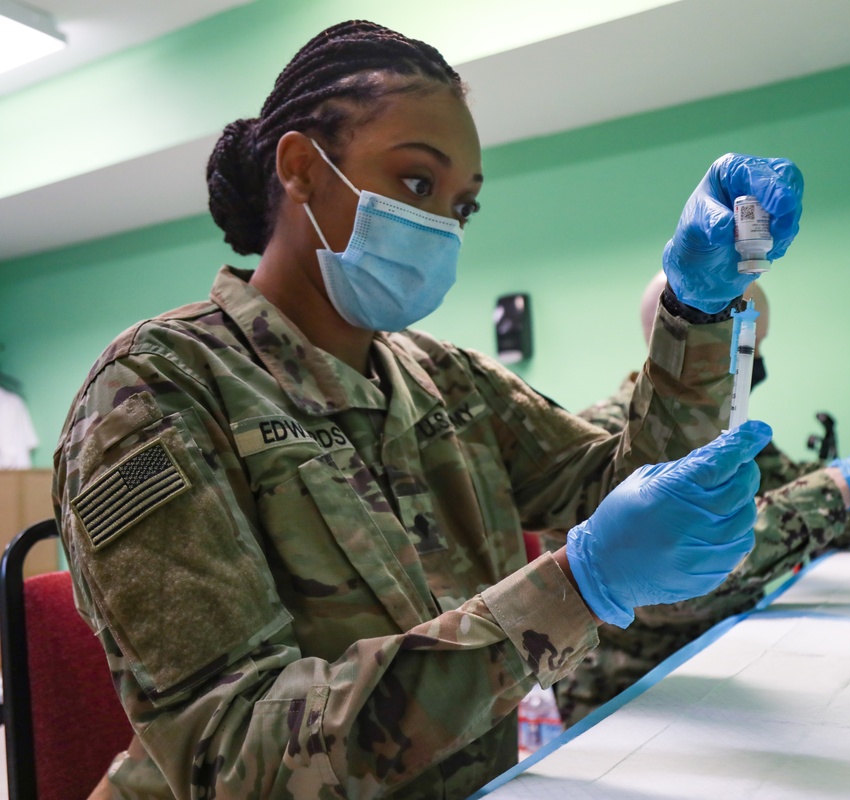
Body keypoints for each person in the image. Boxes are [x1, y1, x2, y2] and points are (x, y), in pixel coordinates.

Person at [53, 21, 806, 799]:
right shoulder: (158, 390)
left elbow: (631, 488)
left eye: (463, 208)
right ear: (302, 169)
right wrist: (575, 587)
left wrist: (697, 310)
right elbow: (233, 759)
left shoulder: (443, 376)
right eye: (418, 184)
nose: (443, 226)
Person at [550, 272, 850, 726]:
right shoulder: (606, 439)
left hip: (717, 663)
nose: (757, 362)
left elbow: (811, 504)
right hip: (627, 695)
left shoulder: (721, 429)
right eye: (750, 346)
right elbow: (684, 584)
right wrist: (844, 482)